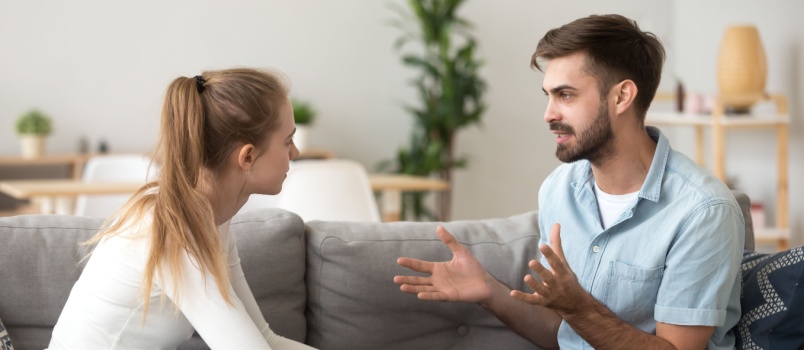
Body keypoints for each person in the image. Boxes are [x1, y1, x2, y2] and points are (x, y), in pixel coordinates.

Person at [394, 14, 744, 350]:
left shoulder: (703, 212)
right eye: (548, 95)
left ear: (622, 97)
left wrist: (577, 307)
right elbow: (558, 332)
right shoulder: (559, 188)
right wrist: (488, 289)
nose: (549, 114)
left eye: (566, 95)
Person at [48, 68, 316, 349]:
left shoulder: (210, 220)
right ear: (247, 156)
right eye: (288, 141)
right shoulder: (174, 232)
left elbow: (265, 339)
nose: (295, 153)